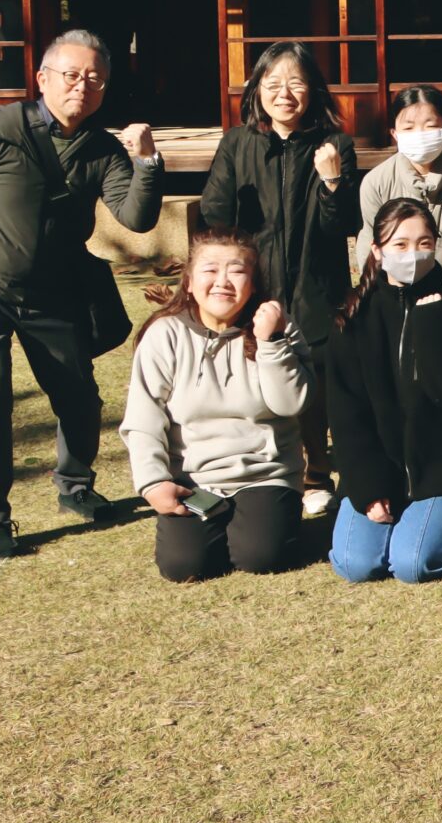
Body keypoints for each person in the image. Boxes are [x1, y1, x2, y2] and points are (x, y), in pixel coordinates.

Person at [0, 28, 163, 557]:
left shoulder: (101, 149)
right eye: (71, 75)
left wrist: (145, 162)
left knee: (77, 390)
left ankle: (75, 487)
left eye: (95, 79)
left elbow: (137, 218)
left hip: (52, 289)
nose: (83, 86)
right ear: (43, 78)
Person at [199, 39, 360, 519]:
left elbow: (345, 224)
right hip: (257, 282)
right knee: (256, 378)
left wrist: (332, 182)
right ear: (256, 91)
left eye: (295, 82)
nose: (284, 93)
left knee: (313, 380)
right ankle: (267, 472)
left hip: (316, 282)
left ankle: (316, 475)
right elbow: (214, 214)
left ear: (312, 90)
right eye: (272, 84)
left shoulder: (336, 146)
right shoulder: (238, 142)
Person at [120, 230, 306, 582]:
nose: (222, 282)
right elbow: (143, 420)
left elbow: (290, 404)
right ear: (188, 282)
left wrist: (272, 342)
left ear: (254, 283)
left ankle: (263, 521)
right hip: (194, 479)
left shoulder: (278, 327)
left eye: (236, 271)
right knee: (184, 566)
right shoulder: (165, 334)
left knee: (262, 555)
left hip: (264, 472)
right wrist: (153, 483)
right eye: (210, 270)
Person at [323, 198, 442, 585]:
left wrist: (429, 325)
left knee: (413, 565)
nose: (413, 253)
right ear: (377, 250)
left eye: (424, 242)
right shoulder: (352, 314)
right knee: (356, 565)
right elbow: (346, 413)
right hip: (377, 470)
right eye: (400, 244)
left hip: (440, 471)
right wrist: (368, 490)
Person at [358, 84, 442, 295]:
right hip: (397, 295)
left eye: (430, 126)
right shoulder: (376, 181)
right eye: (409, 128)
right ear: (394, 133)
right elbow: (370, 244)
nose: (419, 134)